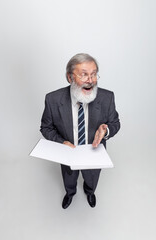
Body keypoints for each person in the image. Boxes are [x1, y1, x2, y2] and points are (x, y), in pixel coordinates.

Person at [40, 53, 120, 209]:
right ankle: (70, 194)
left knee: (92, 178)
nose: (90, 80)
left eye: (94, 74)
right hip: (68, 151)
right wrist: (62, 143)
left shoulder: (107, 98)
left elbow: (115, 123)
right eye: (84, 75)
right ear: (70, 78)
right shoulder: (53, 99)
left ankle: (89, 192)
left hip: (94, 151)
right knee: (69, 179)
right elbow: (46, 127)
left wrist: (106, 130)